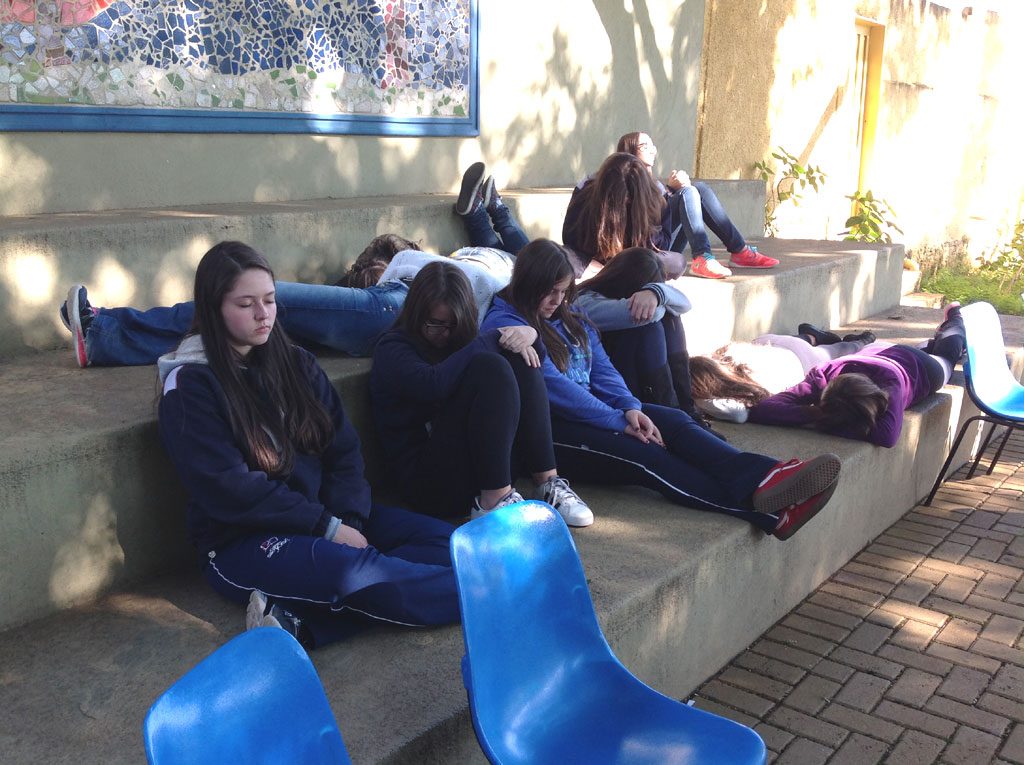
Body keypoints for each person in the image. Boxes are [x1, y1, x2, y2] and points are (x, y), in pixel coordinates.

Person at [157, 241, 460, 650]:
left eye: (269, 300)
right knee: (357, 574)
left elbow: (344, 449)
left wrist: (348, 521)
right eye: (246, 304)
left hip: (324, 515)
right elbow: (229, 488)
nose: (263, 314)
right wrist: (327, 530)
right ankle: (490, 593)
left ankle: (301, 624)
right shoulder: (190, 384)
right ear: (214, 308)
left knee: (448, 544)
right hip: (242, 542)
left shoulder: (296, 362)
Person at [480, 239, 843, 540]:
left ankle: (768, 476)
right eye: (549, 292)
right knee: (649, 456)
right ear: (528, 283)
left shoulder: (569, 317)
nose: (557, 300)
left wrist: (630, 407)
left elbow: (603, 370)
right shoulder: (507, 325)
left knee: (672, 421)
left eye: (563, 291)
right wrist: (617, 421)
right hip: (554, 434)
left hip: (601, 413)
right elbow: (555, 389)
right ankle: (770, 514)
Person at [59, 182, 533, 368]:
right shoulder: (491, 255)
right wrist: (486, 205)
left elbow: (520, 247)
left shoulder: (519, 271)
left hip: (398, 307)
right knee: (262, 319)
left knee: (259, 298)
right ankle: (106, 338)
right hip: (398, 291)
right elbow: (484, 226)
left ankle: (105, 333)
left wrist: (500, 212)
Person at [370, 260, 593, 526]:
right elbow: (432, 384)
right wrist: (493, 337)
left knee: (517, 354)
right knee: (490, 365)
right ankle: (494, 501)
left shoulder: (460, 342)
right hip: (427, 484)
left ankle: (547, 483)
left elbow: (528, 361)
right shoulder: (393, 348)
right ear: (417, 313)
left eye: (453, 325)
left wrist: (531, 335)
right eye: (436, 324)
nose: (445, 334)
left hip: (477, 468)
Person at [747, 304, 967, 447]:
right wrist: (818, 414)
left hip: (921, 368)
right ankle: (931, 343)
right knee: (935, 350)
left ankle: (955, 319)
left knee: (947, 358)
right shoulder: (822, 375)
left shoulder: (890, 387)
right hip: (878, 351)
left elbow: (887, 437)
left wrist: (819, 417)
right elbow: (762, 409)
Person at [575, 246, 711, 429]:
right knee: (652, 325)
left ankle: (686, 410)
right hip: (610, 384)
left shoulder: (626, 297)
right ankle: (670, 412)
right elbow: (651, 314)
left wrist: (656, 292)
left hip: (632, 375)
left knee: (671, 317)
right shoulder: (585, 301)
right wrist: (659, 296)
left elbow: (685, 304)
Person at [615, 131, 778, 279]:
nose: (652, 150)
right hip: (652, 253)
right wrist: (672, 190)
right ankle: (702, 257)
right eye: (645, 146)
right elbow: (647, 223)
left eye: (652, 145)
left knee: (699, 188)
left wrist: (673, 190)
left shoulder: (655, 185)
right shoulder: (624, 185)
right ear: (630, 152)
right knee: (689, 192)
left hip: (665, 246)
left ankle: (740, 251)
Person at [689, 324, 878, 423]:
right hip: (769, 343)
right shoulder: (718, 362)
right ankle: (813, 336)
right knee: (827, 348)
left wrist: (699, 401)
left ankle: (863, 340)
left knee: (840, 350)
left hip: (802, 361)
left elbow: (738, 416)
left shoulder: (741, 392)